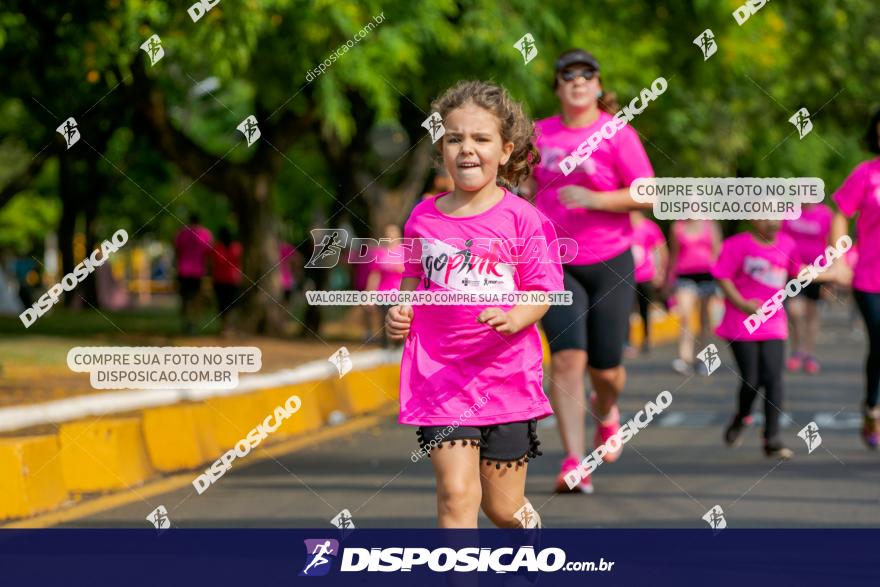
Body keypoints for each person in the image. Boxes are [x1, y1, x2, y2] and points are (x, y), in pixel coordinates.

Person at [385, 80, 561, 528]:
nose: (467, 149)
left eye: (481, 139)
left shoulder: (523, 219)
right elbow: (412, 279)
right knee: (456, 496)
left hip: (506, 376)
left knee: (502, 508)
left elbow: (542, 290)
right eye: (455, 138)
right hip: (440, 376)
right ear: (442, 149)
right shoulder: (422, 217)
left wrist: (515, 315)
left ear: (505, 151)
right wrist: (400, 312)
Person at [522, 48, 655, 494]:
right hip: (555, 261)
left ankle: (608, 406)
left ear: (598, 86)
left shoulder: (617, 133)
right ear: (558, 86)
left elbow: (648, 194)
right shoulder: (539, 134)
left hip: (610, 260)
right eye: (568, 75)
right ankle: (575, 460)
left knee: (606, 367)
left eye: (586, 75)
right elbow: (520, 186)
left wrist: (596, 200)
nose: (577, 81)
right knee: (566, 357)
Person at [714, 219, 836, 459]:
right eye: (766, 216)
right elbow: (723, 276)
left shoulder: (788, 244)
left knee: (774, 378)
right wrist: (742, 304)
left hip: (773, 323)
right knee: (751, 379)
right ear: (753, 219)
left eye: (776, 216)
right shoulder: (737, 245)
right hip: (741, 323)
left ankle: (772, 438)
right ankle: (741, 417)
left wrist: (832, 273)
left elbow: (798, 273)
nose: (772, 222)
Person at [831, 108, 880, 448]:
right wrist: (838, 257)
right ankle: (873, 407)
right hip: (869, 274)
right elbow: (841, 216)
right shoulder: (865, 174)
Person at [781, 202, 833, 374]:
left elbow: (832, 243)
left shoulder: (826, 214)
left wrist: (832, 277)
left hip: (818, 271)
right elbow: (781, 238)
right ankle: (797, 349)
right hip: (793, 270)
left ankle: (809, 354)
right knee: (795, 311)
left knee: (812, 313)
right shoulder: (789, 212)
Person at [666, 219, 722, 376]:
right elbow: (674, 253)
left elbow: (717, 251)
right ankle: (684, 358)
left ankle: (706, 359)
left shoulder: (711, 225)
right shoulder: (677, 226)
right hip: (684, 276)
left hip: (707, 275)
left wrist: (722, 279)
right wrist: (668, 280)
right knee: (685, 316)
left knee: (706, 319)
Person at [627, 211, 668, 356]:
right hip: (627, 276)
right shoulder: (623, 225)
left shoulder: (650, 227)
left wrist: (660, 272)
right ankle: (628, 342)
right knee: (627, 309)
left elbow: (661, 249)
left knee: (644, 309)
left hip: (646, 275)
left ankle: (646, 339)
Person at [365, 224, 405, 347]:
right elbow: (375, 274)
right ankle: (385, 346)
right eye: (388, 233)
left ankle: (398, 344)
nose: (390, 236)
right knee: (384, 319)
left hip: (400, 291)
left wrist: (396, 268)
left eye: (393, 233)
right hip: (383, 292)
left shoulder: (405, 251)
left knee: (398, 318)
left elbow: (411, 272)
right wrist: (369, 292)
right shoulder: (380, 253)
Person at [174, 214, 213, 334]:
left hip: (183, 270)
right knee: (197, 298)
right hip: (198, 271)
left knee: (185, 298)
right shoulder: (205, 234)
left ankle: (187, 322)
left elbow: (176, 250)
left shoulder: (181, 233)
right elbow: (209, 253)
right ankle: (194, 323)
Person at [211, 227, 242, 337]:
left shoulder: (217, 247)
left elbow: (213, 263)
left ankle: (225, 328)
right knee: (230, 305)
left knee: (223, 305)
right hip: (231, 280)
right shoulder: (236, 247)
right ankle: (227, 327)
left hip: (221, 280)